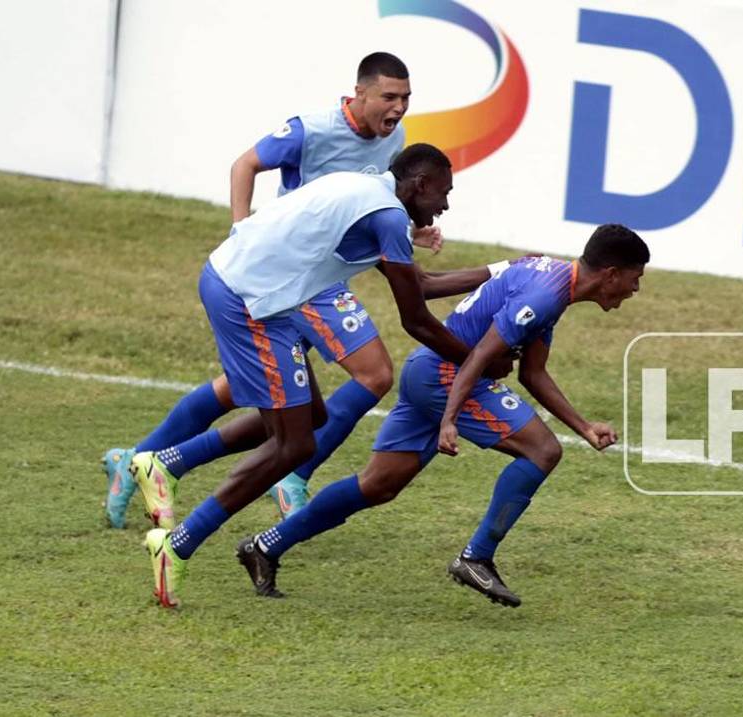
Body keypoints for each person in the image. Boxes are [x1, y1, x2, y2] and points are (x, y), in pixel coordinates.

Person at [100, 52, 476, 527]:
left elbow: (380, 208)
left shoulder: (395, 142)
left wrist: (407, 233)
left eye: (405, 98)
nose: (399, 108)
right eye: (388, 97)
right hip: (293, 275)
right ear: (358, 93)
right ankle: (288, 473)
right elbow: (246, 164)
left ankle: (146, 458)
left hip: (321, 274)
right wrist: (242, 231)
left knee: (259, 390)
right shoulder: (312, 129)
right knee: (362, 377)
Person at [143, 143, 514, 609]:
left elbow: (419, 282)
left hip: (260, 298)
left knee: (310, 419)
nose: (445, 205)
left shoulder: (369, 189)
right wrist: (480, 360)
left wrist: (501, 271)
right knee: (294, 444)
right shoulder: (387, 216)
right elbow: (416, 320)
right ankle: (176, 544)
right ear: (418, 185)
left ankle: (171, 462)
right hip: (244, 300)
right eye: (443, 192)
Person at [232, 225, 649, 607]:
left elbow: (532, 373)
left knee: (378, 484)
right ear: (611, 274)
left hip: (428, 370)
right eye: (635, 279)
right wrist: (449, 419)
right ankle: (476, 558)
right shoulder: (545, 296)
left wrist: (584, 426)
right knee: (542, 451)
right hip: (446, 376)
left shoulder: (554, 281)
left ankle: (265, 546)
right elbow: (480, 357)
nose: (635, 290)